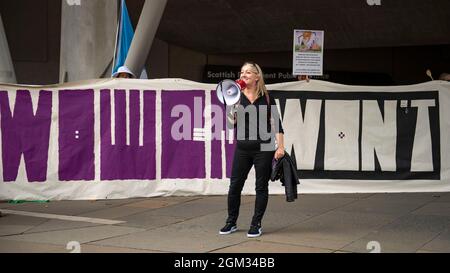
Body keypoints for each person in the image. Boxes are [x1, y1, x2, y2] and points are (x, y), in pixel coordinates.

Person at [219, 62, 285, 238]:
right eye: (242, 72)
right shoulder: (235, 97)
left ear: (257, 76)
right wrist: (231, 104)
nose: (244, 75)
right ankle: (231, 222)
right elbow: (230, 124)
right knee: (235, 186)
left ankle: (256, 224)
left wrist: (281, 147)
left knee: (261, 187)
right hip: (243, 147)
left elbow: (277, 124)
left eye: (248, 72)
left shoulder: (267, 97)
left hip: (265, 147)